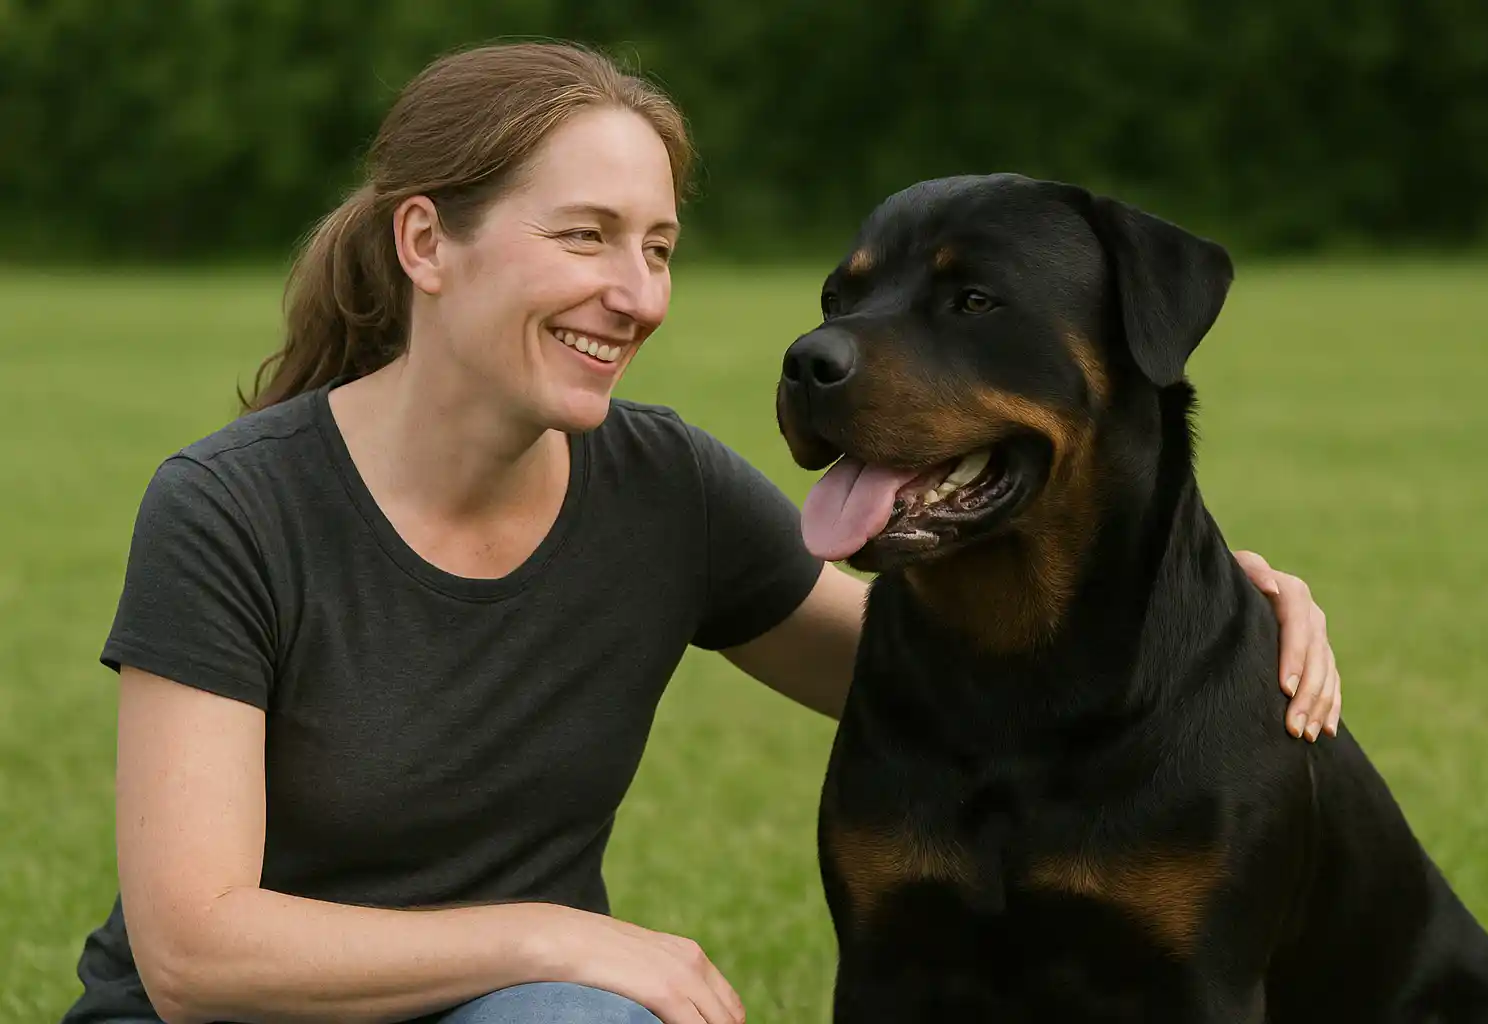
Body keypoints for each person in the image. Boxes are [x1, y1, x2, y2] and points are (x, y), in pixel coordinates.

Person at [62, 41, 1342, 1024]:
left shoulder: (659, 486)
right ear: (425, 244)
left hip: (508, 1014)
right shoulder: (231, 508)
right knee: (588, 990)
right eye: (586, 237)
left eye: (659, 247)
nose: (635, 296)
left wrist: (1215, 615)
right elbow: (194, 950)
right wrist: (549, 934)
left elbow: (938, 677)